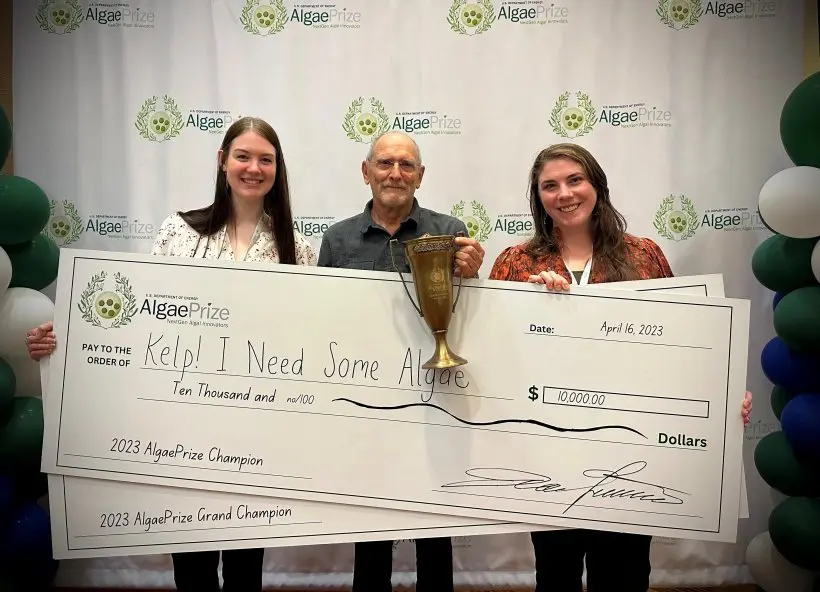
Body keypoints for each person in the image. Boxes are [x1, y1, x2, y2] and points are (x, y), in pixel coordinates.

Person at [26, 116, 317, 592]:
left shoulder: (298, 250)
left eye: (266, 159)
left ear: (277, 170)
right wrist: (69, 334)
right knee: (194, 564)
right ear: (222, 161)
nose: (254, 167)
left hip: (257, 429)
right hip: (184, 425)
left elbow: (306, 336)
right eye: (243, 156)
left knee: (246, 565)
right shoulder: (179, 232)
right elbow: (139, 313)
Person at [488, 142, 753, 592]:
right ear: (538, 198)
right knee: (556, 575)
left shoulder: (643, 255)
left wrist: (721, 396)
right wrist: (533, 307)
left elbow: (683, 345)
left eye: (575, 180)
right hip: (549, 454)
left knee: (626, 575)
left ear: (596, 185)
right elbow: (494, 354)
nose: (564, 193)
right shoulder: (517, 264)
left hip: (632, 455)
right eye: (550, 186)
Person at [317, 129, 485, 592]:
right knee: (370, 527)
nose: (396, 173)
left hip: (437, 394)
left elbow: (472, 314)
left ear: (421, 175)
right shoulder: (337, 239)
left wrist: (473, 273)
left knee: (436, 523)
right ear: (366, 172)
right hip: (366, 401)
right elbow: (322, 320)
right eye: (386, 163)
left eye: (406, 165)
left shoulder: (450, 231)